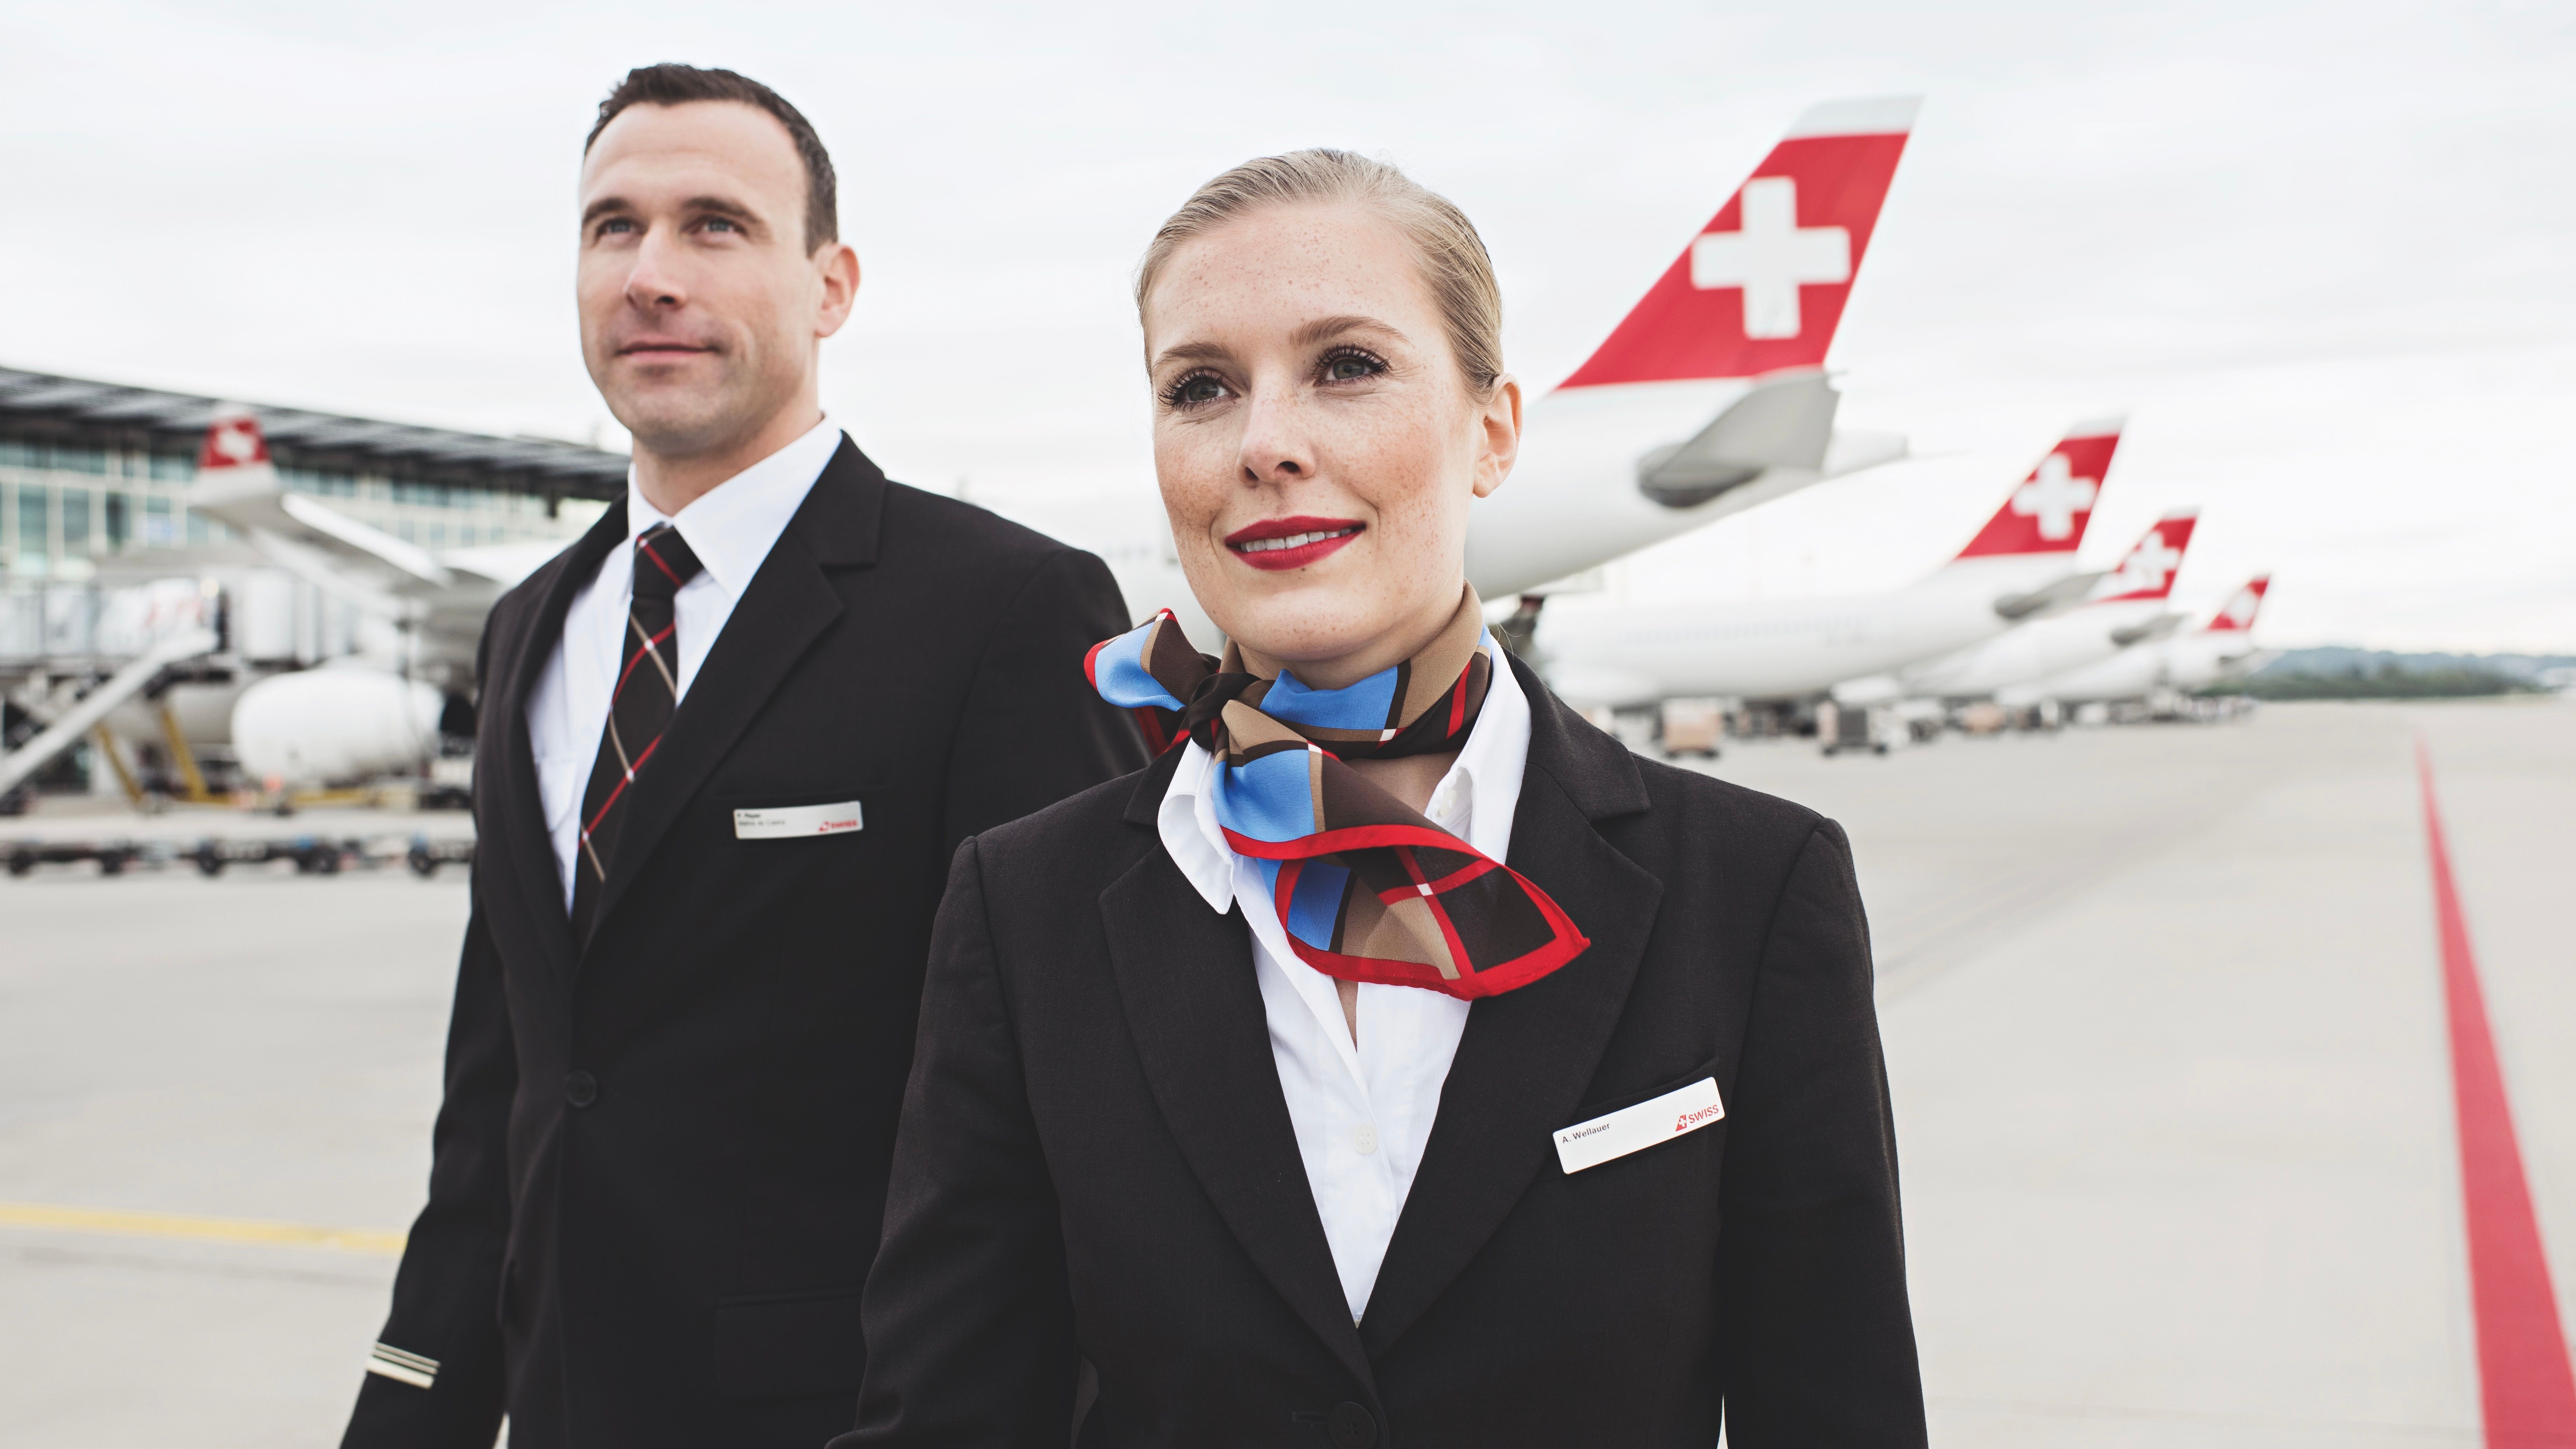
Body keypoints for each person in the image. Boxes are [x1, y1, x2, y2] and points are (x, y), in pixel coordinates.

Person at [839, 150, 1928, 1448]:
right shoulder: (1024, 910)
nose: (1265, 443)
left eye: (1346, 366)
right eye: (1202, 388)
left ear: (1495, 430)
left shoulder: (1753, 889)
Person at [340, 65, 1147, 1449]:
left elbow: (1080, 1112)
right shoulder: (532, 629)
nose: (651, 274)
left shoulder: (1004, 613)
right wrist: (413, 1405)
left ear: (830, 286)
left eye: (714, 224)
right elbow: (509, 1088)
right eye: (613, 227)